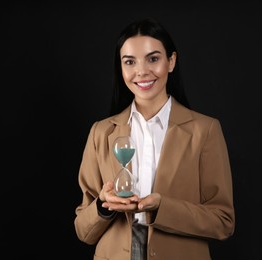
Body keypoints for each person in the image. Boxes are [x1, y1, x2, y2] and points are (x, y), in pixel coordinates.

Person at [74, 17, 235, 260]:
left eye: (153, 58)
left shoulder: (205, 130)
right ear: (121, 67)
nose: (141, 71)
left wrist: (163, 207)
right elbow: (83, 231)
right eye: (130, 61)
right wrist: (102, 206)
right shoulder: (101, 132)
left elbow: (223, 222)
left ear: (171, 61)